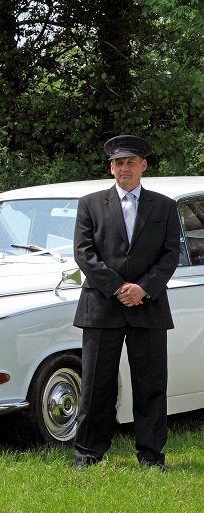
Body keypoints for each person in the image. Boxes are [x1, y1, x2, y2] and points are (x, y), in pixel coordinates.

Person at [72, 135, 181, 470]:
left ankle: (151, 455)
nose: (124, 169)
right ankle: (88, 453)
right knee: (95, 386)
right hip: (102, 306)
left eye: (130, 162)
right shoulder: (90, 203)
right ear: (111, 168)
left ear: (143, 166)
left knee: (151, 386)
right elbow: (83, 253)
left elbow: (170, 255)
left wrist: (143, 289)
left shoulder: (164, 206)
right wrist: (119, 287)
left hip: (148, 306)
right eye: (118, 163)